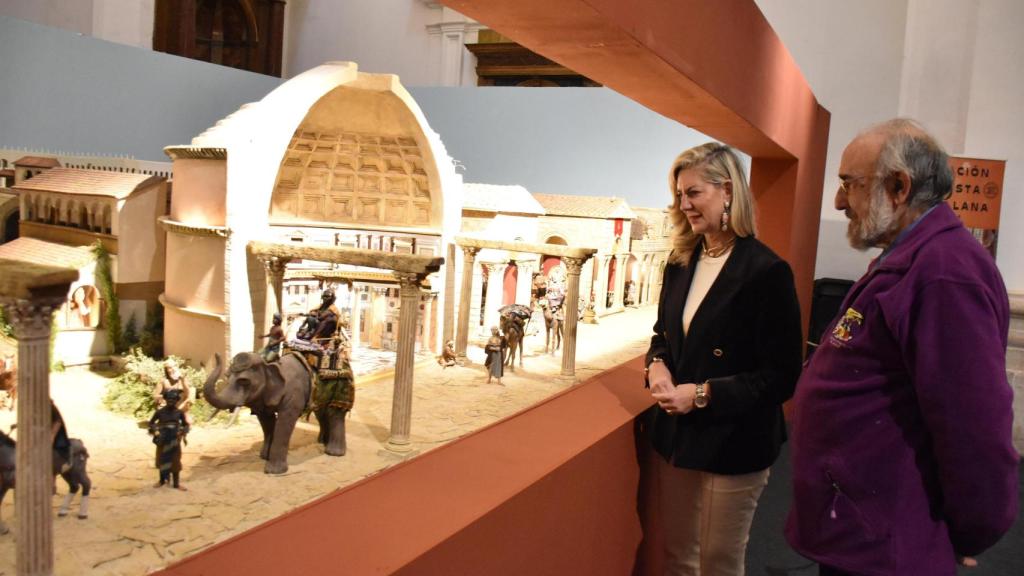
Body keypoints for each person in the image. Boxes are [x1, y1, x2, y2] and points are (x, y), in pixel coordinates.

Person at [785, 119, 1018, 575]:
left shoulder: (943, 273)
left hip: (889, 547)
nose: (837, 201)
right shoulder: (913, 260)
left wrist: (971, 530)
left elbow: (975, 428)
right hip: (863, 533)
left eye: (848, 184)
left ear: (898, 186)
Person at [644, 142, 803, 575]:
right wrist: (655, 365)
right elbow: (662, 336)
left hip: (736, 439)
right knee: (678, 558)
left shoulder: (767, 271)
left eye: (693, 193)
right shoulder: (679, 262)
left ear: (728, 191)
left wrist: (702, 394)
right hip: (676, 436)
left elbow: (782, 376)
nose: (684, 205)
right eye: (679, 194)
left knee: (719, 563)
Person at [148, 388, 190, 490]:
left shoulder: (179, 412)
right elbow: (151, 423)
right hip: (162, 439)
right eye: (169, 399)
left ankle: (176, 484)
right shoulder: (160, 412)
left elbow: (186, 425)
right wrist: (157, 432)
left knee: (175, 461)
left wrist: (182, 432)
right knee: (162, 459)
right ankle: (162, 480)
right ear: (165, 400)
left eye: (174, 399)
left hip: (174, 440)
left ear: (177, 400)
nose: (171, 401)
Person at [153, 358, 192, 424]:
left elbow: (187, 394)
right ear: (166, 370)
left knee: (188, 423)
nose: (172, 370)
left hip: (179, 405)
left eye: (174, 367)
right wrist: (162, 397)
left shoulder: (182, 380)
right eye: (169, 368)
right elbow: (155, 396)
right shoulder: (163, 381)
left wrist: (183, 380)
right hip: (166, 404)